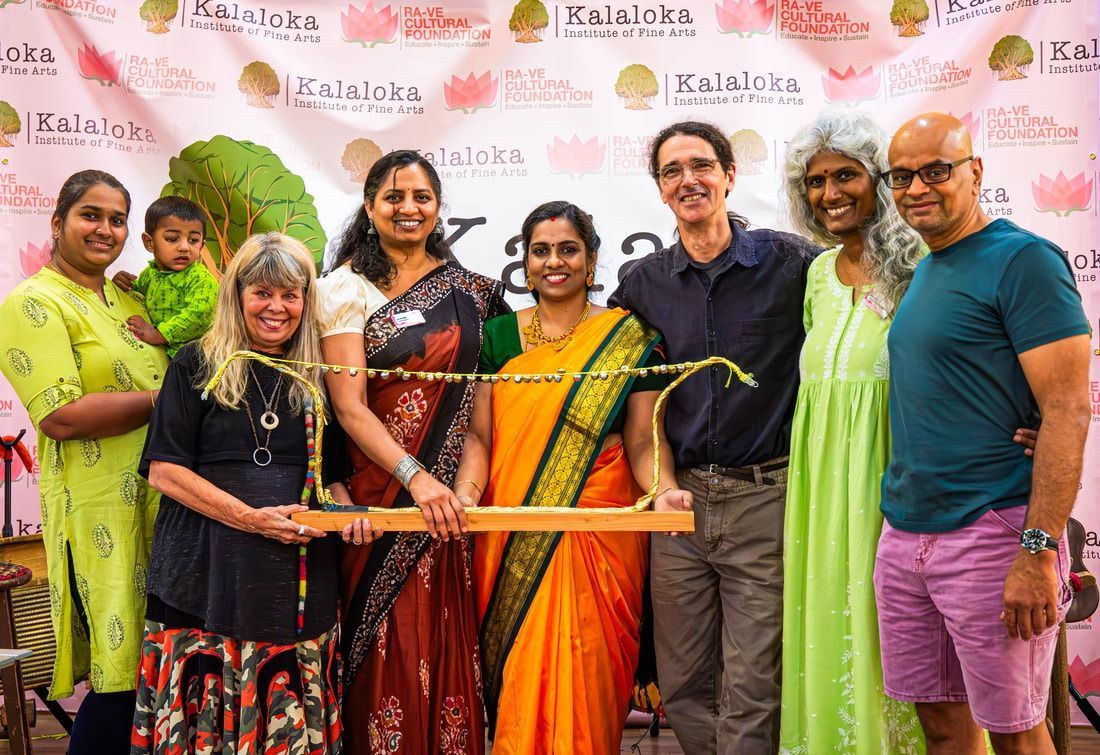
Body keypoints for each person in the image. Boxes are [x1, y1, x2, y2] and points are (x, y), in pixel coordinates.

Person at [874, 113, 1091, 755]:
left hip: (993, 533)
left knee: (1016, 733)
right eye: (901, 176)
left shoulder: (1023, 260)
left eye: (936, 170)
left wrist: (1038, 550)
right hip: (906, 534)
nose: (917, 188)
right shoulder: (928, 267)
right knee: (942, 729)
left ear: (975, 171)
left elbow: (1068, 410)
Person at [609, 121, 818, 753]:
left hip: (766, 499)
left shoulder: (793, 265)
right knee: (683, 684)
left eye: (701, 165)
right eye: (672, 171)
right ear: (659, 189)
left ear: (729, 175)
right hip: (680, 506)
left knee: (754, 683)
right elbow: (635, 405)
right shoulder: (641, 285)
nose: (688, 180)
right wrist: (661, 487)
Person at [452, 201, 689, 754]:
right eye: (541, 251)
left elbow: (642, 439)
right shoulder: (497, 337)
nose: (554, 262)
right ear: (525, 262)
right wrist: (466, 495)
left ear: (592, 258)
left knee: (589, 673)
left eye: (568, 249)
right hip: (511, 526)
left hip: (600, 528)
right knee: (521, 672)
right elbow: (480, 437)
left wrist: (663, 490)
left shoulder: (629, 337)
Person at [318, 150, 506, 754]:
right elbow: (348, 408)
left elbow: (478, 418)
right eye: (394, 197)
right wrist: (417, 479)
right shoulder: (343, 287)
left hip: (449, 511)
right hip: (377, 505)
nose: (408, 208)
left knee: (447, 647)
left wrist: (464, 495)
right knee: (383, 651)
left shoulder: (473, 295)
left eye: (421, 197)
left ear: (438, 207)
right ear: (370, 205)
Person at [131, 232, 341, 754]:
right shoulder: (196, 364)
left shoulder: (319, 376)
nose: (276, 307)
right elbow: (164, 472)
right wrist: (251, 518)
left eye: (290, 295)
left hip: (293, 583)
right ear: (237, 295)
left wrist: (347, 518)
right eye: (262, 293)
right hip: (203, 576)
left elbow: (334, 480)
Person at [0, 169, 168, 754]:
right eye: (89, 215)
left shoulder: (131, 298)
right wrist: (168, 400)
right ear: (57, 222)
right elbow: (61, 416)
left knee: (161, 671)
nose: (105, 229)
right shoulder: (32, 303)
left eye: (117, 219)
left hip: (166, 505)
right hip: (99, 513)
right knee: (120, 679)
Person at [778, 109, 927, 754]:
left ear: (880, 181)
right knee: (825, 612)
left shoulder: (920, 262)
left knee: (886, 620)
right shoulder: (816, 273)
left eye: (846, 175)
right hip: (819, 485)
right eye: (815, 181)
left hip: (891, 476)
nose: (830, 192)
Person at [111, 196, 218, 358]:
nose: (184, 247)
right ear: (149, 242)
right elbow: (137, 298)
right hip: (162, 356)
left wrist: (159, 334)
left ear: (202, 245)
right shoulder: (149, 274)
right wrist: (123, 284)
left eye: (193, 240)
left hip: (194, 359)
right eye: (172, 239)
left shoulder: (201, 279)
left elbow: (199, 316)